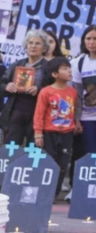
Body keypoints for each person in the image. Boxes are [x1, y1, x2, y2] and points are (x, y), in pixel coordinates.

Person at [34, 57, 80, 197]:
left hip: (67, 133)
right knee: (48, 162)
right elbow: (39, 113)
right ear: (55, 74)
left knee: (63, 164)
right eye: (65, 69)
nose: (69, 71)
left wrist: (76, 123)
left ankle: (55, 193)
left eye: (69, 68)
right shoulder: (46, 92)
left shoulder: (72, 92)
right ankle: (44, 192)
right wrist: (38, 133)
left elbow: (74, 110)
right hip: (49, 133)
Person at [0, 30, 50, 146]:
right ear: (26, 46)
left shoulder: (49, 67)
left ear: (44, 48)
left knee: (33, 150)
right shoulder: (16, 65)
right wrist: (6, 86)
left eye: (37, 43)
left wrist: (39, 90)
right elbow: (1, 85)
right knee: (10, 148)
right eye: (30, 43)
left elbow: (55, 90)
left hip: (37, 114)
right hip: (15, 112)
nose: (33, 46)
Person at [72, 25, 96, 157]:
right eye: (88, 38)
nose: (91, 42)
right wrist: (76, 120)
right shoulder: (78, 63)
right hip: (87, 118)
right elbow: (77, 95)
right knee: (90, 157)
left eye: (95, 38)